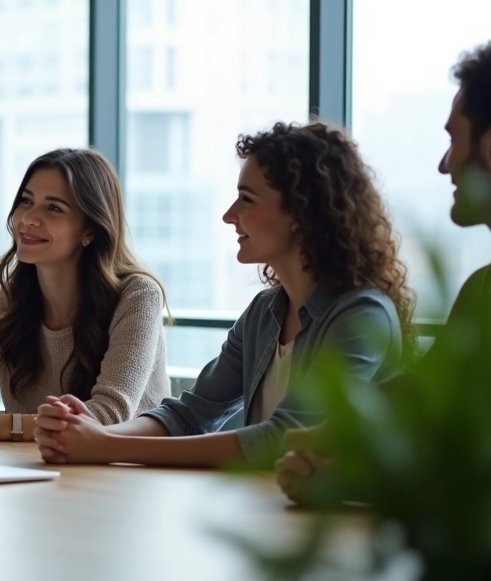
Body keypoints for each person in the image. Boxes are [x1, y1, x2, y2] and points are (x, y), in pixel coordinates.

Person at [35, 121, 414, 468]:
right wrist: (91, 433)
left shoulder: (362, 315)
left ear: (301, 213)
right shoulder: (265, 312)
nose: (229, 215)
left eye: (246, 199)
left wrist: (107, 446)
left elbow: (284, 438)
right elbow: (190, 414)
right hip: (269, 507)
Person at [277, 42, 491, 503]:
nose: (444, 164)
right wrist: (335, 451)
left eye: (453, 140)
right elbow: (423, 403)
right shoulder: (481, 289)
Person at [0, 148, 169, 442]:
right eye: (26, 201)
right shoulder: (1, 305)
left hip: (126, 468)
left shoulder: (137, 296)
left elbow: (109, 415)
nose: (29, 218)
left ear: (90, 230)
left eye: (53, 208)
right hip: (35, 465)